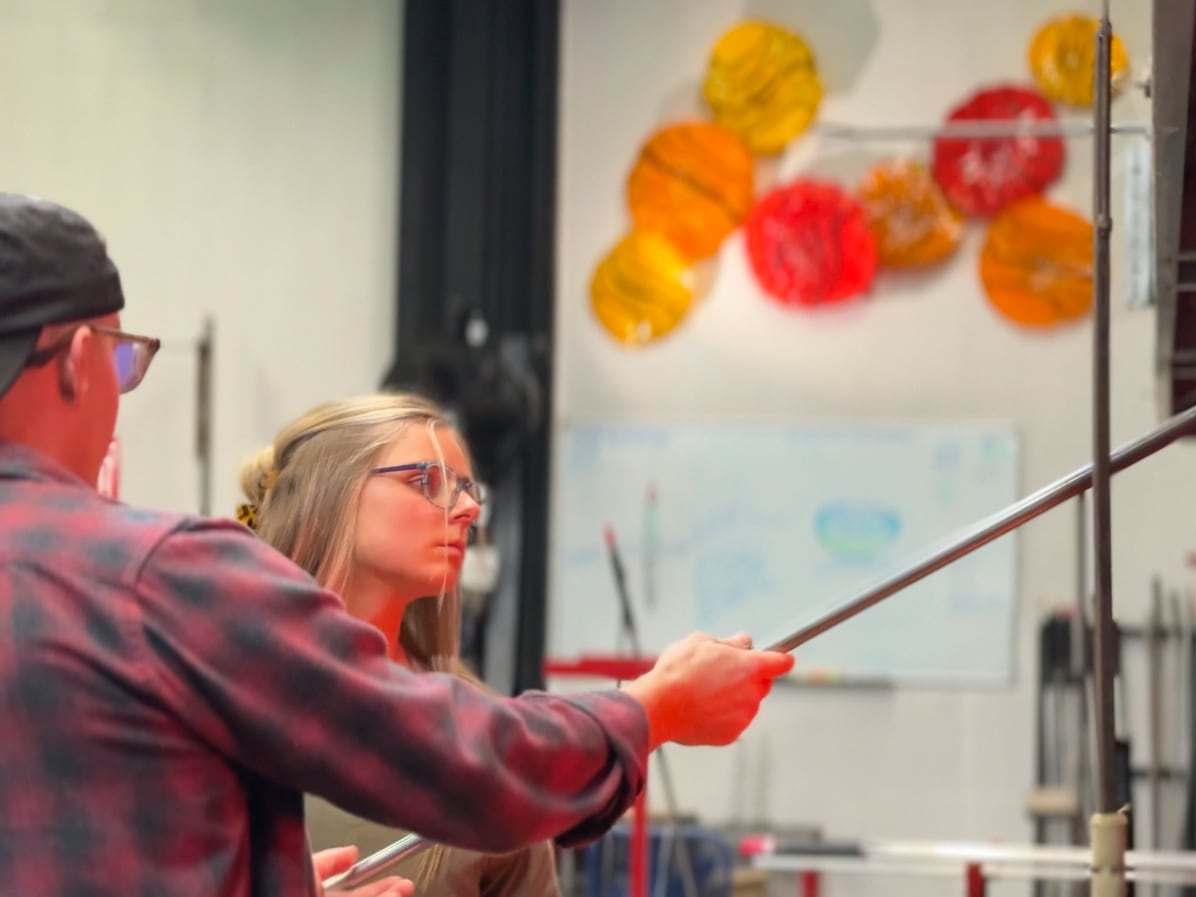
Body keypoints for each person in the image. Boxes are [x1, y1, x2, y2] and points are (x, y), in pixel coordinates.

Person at [0, 191, 795, 897]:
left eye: (465, 487)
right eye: (123, 360)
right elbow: (476, 768)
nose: (460, 511)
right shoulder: (150, 576)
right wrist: (650, 708)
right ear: (76, 362)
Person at [234, 391, 563, 897]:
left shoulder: (484, 738)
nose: (471, 509)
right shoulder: (212, 709)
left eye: (467, 489)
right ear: (331, 495)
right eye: (427, 481)